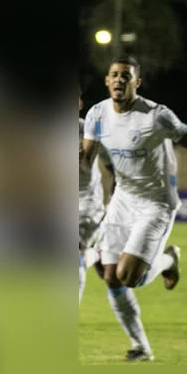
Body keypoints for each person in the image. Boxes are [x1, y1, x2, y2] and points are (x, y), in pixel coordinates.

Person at [81, 57, 187, 361]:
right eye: (114, 75)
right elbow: (85, 160)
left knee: (129, 276)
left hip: (156, 203)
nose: (119, 80)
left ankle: (167, 259)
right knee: (110, 277)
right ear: (107, 81)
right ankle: (142, 348)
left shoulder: (156, 116)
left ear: (137, 83)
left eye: (126, 76)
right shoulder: (97, 113)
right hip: (123, 199)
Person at [80, 95, 114, 305]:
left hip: (87, 207)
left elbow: (115, 170)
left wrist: (114, 203)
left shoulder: (91, 132)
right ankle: (97, 253)